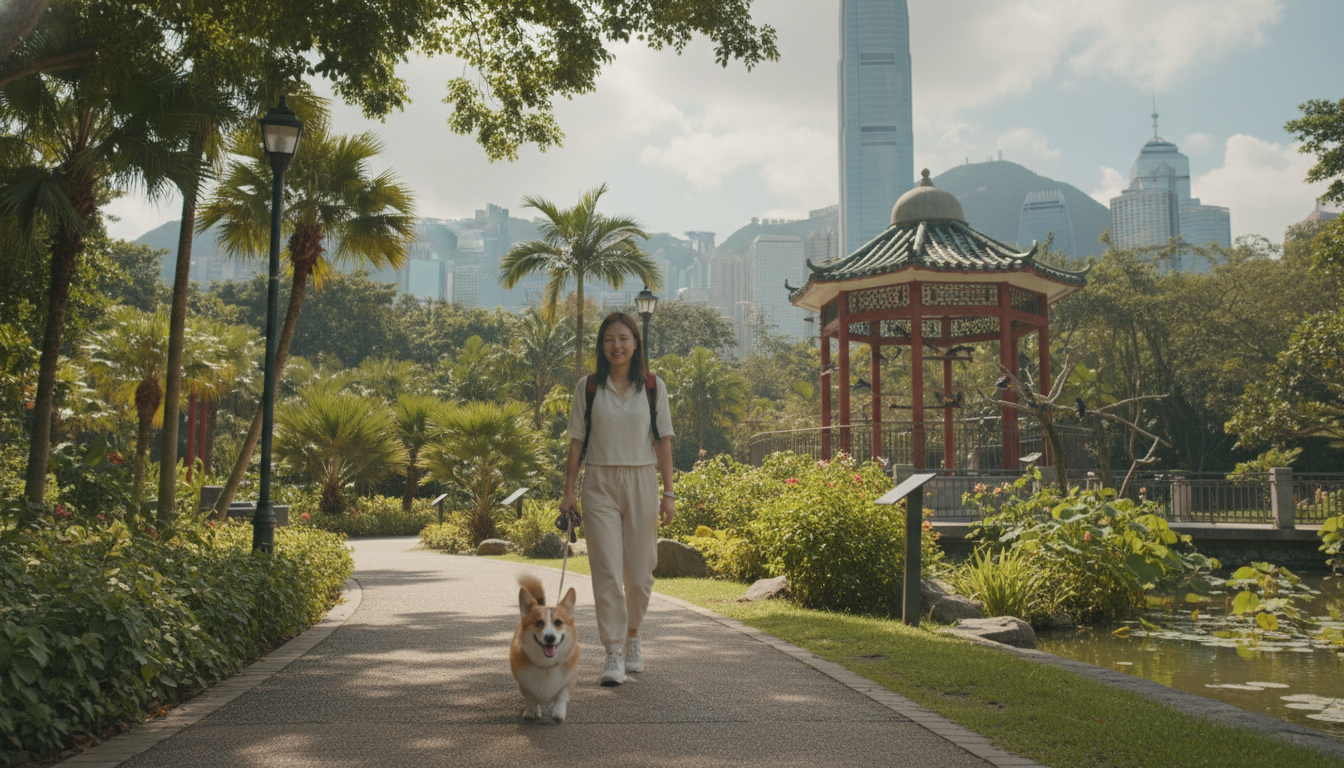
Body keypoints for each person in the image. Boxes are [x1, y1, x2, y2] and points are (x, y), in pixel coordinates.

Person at [561, 312, 675, 687]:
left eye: (624, 338)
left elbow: (664, 442)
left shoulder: (654, 387)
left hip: (643, 478)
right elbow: (577, 441)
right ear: (602, 345)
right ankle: (612, 652)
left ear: (636, 342)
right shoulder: (589, 386)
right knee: (607, 569)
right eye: (609, 339)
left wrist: (669, 494)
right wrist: (568, 492)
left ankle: (632, 636)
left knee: (641, 575)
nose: (617, 345)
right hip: (599, 482)